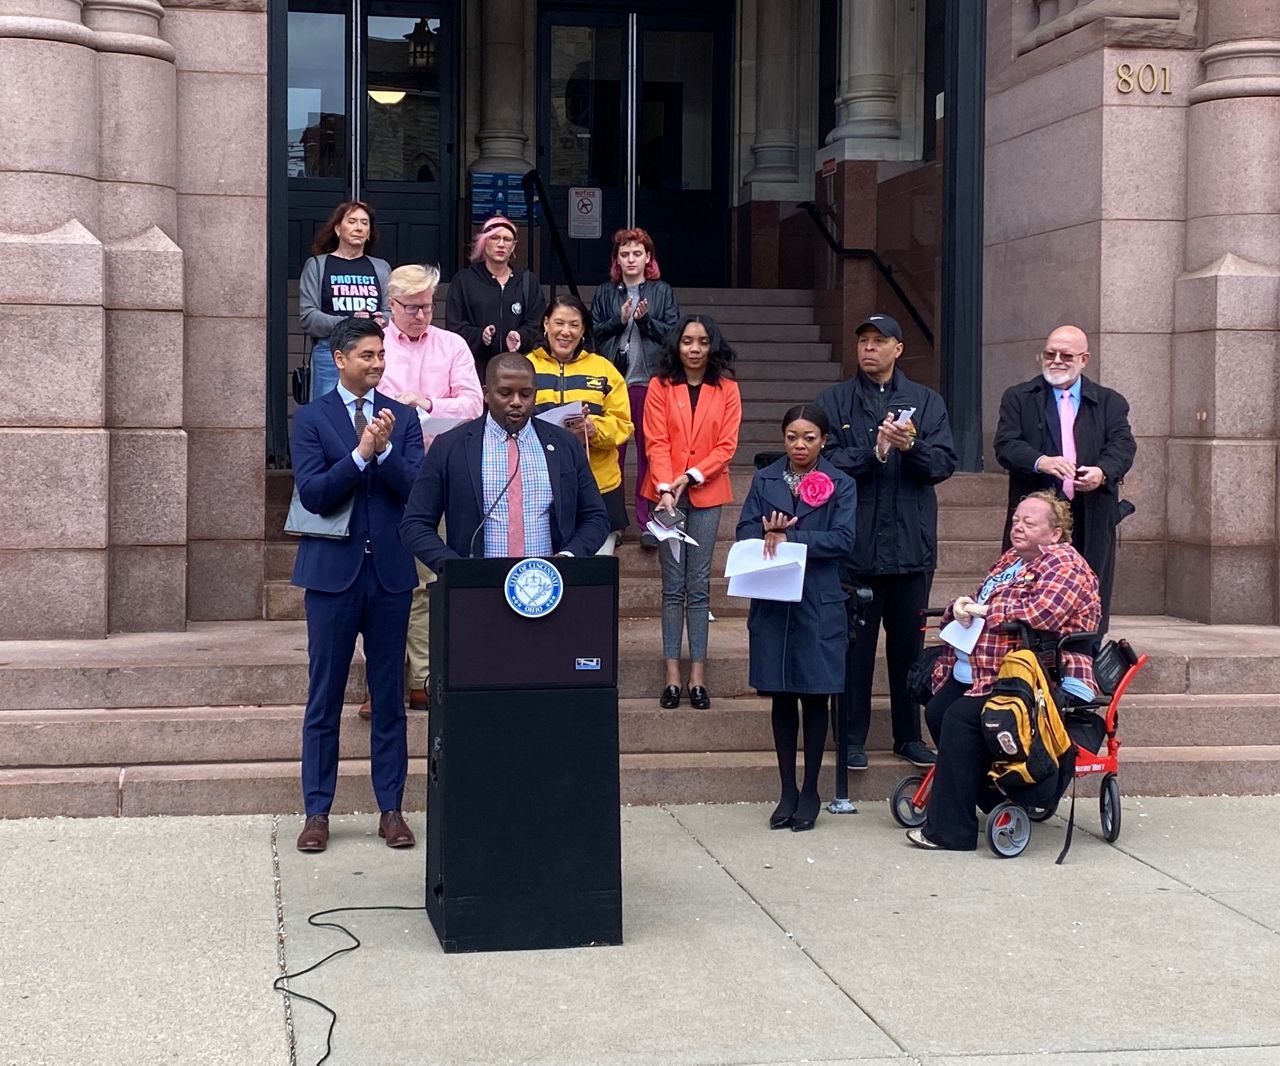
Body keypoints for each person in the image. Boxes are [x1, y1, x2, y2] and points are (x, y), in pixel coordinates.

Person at [290, 317, 425, 854]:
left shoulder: (405, 418)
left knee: (390, 696)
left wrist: (387, 450)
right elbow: (315, 493)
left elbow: (416, 489)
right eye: (367, 355)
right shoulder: (311, 418)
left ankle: (390, 809)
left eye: (381, 355)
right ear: (340, 359)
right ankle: (317, 812)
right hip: (331, 576)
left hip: (389, 573)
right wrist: (359, 454)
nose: (377, 364)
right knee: (323, 698)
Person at [906, 491, 1102, 851]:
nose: (1018, 527)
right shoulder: (1012, 559)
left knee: (962, 720)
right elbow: (984, 598)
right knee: (938, 710)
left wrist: (983, 611)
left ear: (1055, 533)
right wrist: (961, 606)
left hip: (1037, 673)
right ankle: (994, 799)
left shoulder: (1066, 564)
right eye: (1015, 521)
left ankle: (951, 832)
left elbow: (1042, 613)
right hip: (984, 668)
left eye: (1030, 522)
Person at [816, 313, 957, 772]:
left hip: (911, 549)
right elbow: (824, 463)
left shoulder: (926, 401)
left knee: (908, 652)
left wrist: (909, 448)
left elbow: (942, 464)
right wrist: (873, 453)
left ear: (899, 349)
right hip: (855, 549)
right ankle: (851, 739)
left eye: (880, 341)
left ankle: (907, 735)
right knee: (853, 650)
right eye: (863, 341)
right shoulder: (835, 401)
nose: (869, 349)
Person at [736, 405, 857, 833]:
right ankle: (786, 788)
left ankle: (811, 789)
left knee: (815, 694)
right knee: (782, 694)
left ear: (823, 440)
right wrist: (764, 532)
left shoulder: (840, 482)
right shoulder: (765, 477)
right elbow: (744, 529)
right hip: (774, 600)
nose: (799, 445)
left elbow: (843, 538)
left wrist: (791, 536)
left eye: (809, 437)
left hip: (817, 599)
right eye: (792, 436)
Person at [370, 263, 483, 718]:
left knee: (428, 581)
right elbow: (368, 399)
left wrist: (431, 404)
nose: (422, 315)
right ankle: (381, 681)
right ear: (392, 306)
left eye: (428, 306)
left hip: (442, 475)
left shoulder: (452, 344)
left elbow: (474, 403)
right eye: (412, 308)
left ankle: (421, 680)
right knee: (382, 584)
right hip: (386, 472)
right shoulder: (377, 347)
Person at [400, 353, 612, 569]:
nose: (516, 402)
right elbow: (415, 524)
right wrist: (455, 569)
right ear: (486, 393)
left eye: (526, 394)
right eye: (505, 393)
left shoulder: (564, 444)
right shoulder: (450, 446)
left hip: (548, 586)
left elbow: (595, 517)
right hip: (476, 590)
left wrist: (568, 558)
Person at [993, 324, 1136, 637]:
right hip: (1038, 516)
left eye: (1066, 355)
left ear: (1084, 359)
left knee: (1091, 587)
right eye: (1049, 354)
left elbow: (1122, 446)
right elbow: (1006, 444)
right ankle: (1031, 659)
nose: (1056, 360)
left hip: (1091, 512)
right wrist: (1042, 461)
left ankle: (1085, 661)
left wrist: (1101, 473)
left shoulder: (1110, 402)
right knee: (1030, 585)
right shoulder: (1019, 397)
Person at [643, 315, 741, 710]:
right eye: (687, 341)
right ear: (676, 345)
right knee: (672, 587)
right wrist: (667, 487)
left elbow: (727, 445)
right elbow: (655, 439)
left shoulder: (728, 389)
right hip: (666, 496)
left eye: (702, 341)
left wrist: (690, 476)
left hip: (707, 492)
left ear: (712, 346)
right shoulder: (659, 386)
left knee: (698, 587)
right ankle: (671, 676)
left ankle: (697, 677)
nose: (695, 349)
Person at [590, 228, 680, 538]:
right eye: (624, 254)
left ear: (648, 258)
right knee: (611, 453)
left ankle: (648, 522)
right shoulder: (605, 291)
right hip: (613, 384)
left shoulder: (662, 291)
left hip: (648, 383)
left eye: (637, 254)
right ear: (617, 259)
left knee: (649, 454)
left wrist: (643, 321)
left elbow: (673, 336)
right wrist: (621, 319)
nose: (631, 259)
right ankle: (611, 521)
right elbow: (593, 334)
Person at [527, 295, 634, 550]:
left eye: (574, 325)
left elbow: (623, 425)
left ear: (584, 329)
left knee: (594, 578)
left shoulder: (604, 369)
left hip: (599, 485)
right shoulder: (526, 365)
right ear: (545, 324)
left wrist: (593, 428)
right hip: (539, 484)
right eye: (559, 323)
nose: (566, 331)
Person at [298, 200, 391, 402]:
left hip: (372, 351)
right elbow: (308, 317)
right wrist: (349, 323)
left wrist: (380, 321)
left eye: (365, 223)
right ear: (338, 229)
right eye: (352, 221)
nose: (359, 227)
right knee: (328, 414)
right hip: (330, 352)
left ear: (369, 233)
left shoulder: (381, 268)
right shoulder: (317, 265)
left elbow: (390, 311)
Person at [444, 216, 547, 377]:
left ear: (513, 247)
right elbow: (454, 326)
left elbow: (537, 324)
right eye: (494, 238)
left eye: (507, 240)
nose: (501, 244)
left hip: (517, 371)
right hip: (474, 370)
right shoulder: (464, 280)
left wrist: (521, 336)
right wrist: (480, 336)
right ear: (484, 242)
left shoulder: (527, 281)